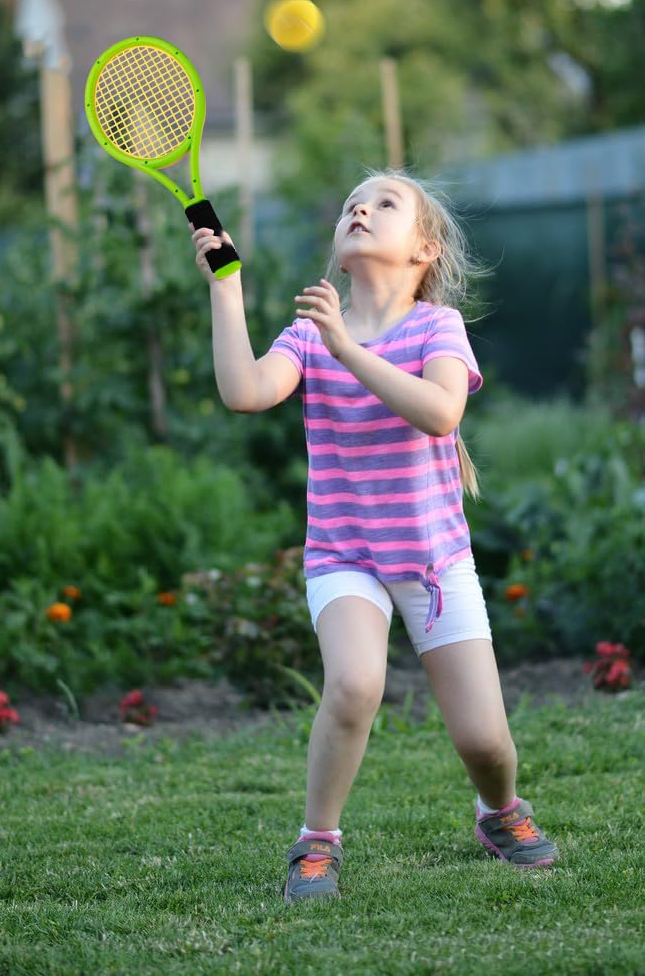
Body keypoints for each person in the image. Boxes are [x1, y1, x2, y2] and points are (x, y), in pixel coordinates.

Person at [191, 168, 559, 905]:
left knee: (486, 743)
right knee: (355, 683)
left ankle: (499, 812)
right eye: (353, 199)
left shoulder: (435, 327)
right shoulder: (309, 331)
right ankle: (317, 841)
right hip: (344, 553)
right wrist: (225, 288)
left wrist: (348, 349)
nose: (361, 206)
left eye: (384, 201)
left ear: (423, 249)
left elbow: (440, 412)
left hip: (433, 561)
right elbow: (244, 392)